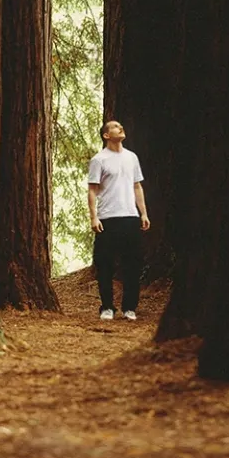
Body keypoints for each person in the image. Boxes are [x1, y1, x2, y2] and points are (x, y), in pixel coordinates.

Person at [87, 120, 150, 321]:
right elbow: (92, 190)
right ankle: (107, 307)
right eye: (115, 126)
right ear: (106, 135)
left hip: (130, 217)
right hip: (107, 218)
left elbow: (137, 186)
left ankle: (129, 308)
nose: (120, 128)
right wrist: (94, 217)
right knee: (105, 265)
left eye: (121, 126)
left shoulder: (132, 157)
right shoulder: (99, 160)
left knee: (133, 265)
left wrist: (143, 213)